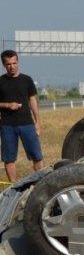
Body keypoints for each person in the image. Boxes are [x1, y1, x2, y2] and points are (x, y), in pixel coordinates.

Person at [0, 50, 44, 183]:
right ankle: (14, 187)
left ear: (18, 62)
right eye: (8, 64)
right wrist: (8, 105)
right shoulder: (1, 81)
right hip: (7, 125)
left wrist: (37, 121)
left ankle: (41, 183)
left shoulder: (27, 80)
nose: (12, 66)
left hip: (27, 123)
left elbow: (32, 100)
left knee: (37, 156)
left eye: (14, 63)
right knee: (9, 158)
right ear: (4, 65)